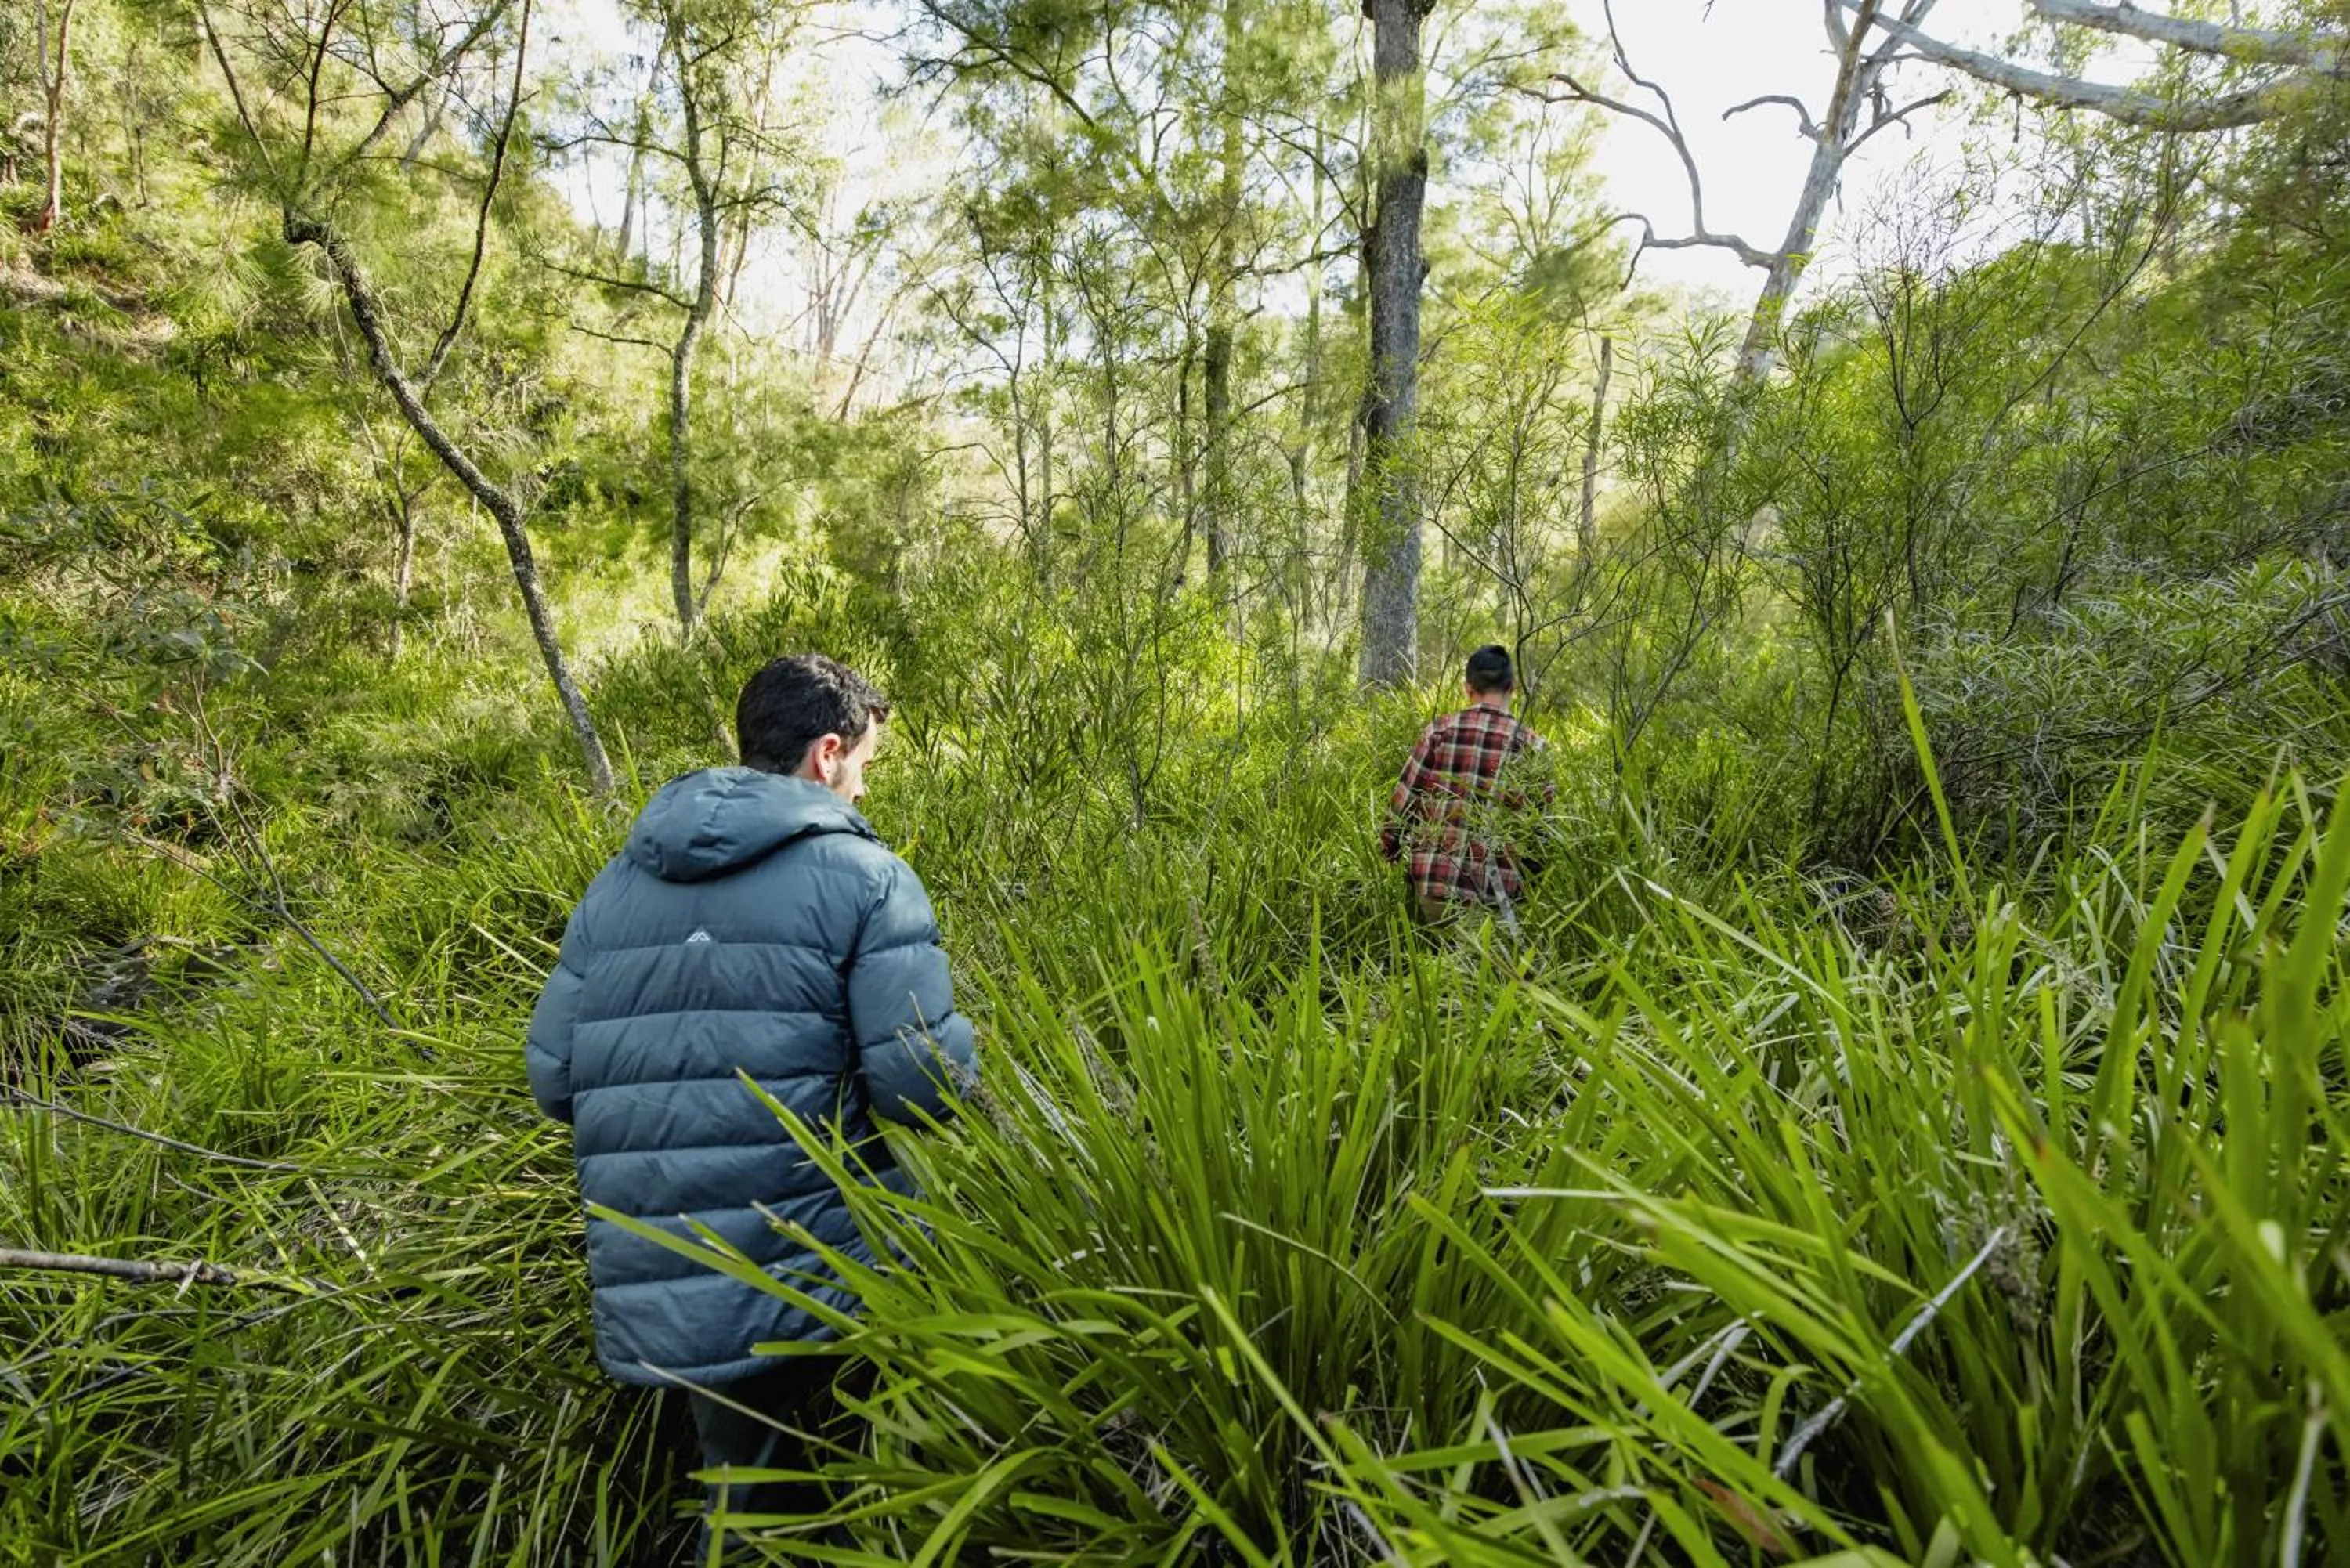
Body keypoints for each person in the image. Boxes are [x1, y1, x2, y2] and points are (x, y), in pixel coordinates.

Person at [524, 652, 976, 1545]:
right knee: (891, 1487)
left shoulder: (617, 887)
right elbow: (920, 1087)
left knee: (747, 1504)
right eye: (865, 768)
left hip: (660, 1265)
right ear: (829, 753)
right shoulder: (866, 877)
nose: (860, 791)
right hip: (820, 1262)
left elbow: (552, 1078)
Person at [1377, 644, 1549, 925]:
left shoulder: (1439, 732)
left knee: (1437, 963)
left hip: (1435, 889)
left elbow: (1402, 805)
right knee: (1482, 965)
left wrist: (1391, 853)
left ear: (1468, 688)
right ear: (1513, 687)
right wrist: (1530, 885)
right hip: (1497, 898)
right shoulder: (1533, 746)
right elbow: (1543, 832)